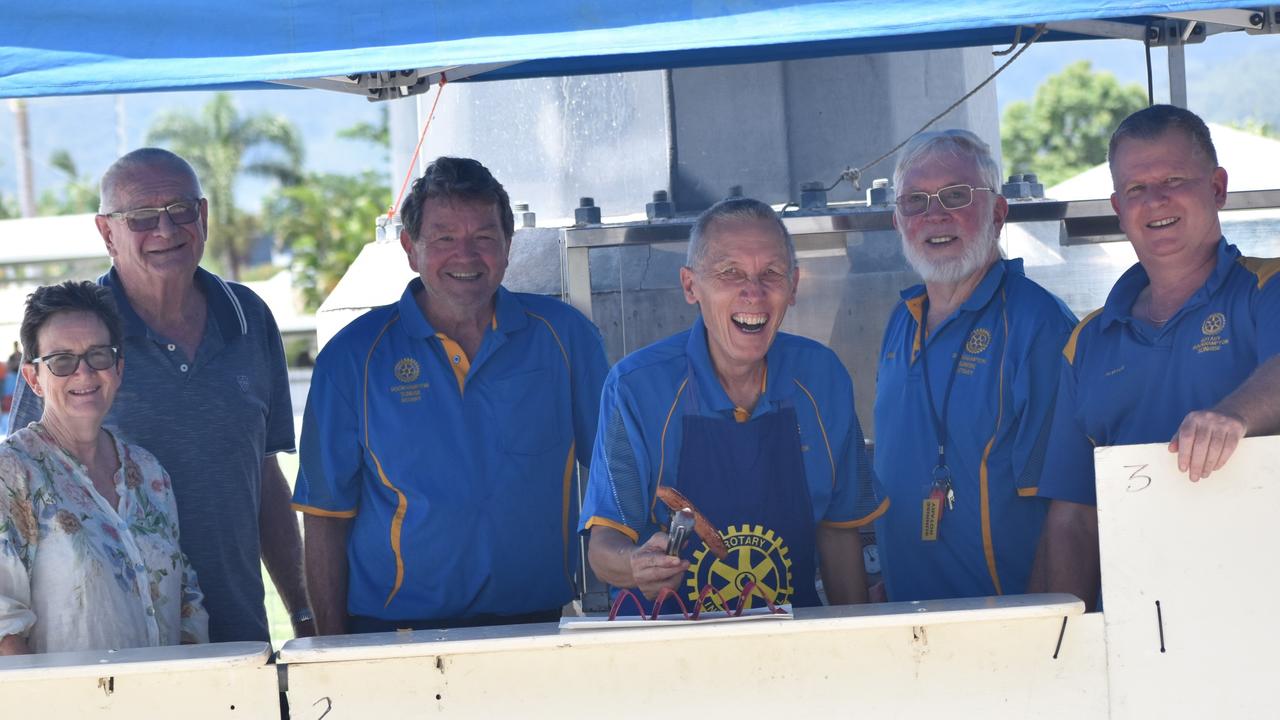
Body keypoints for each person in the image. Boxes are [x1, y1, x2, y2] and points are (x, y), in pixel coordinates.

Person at [294, 156, 609, 634]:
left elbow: (620, 476)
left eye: (484, 238)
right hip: (392, 636)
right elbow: (324, 517)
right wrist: (334, 650)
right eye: (444, 239)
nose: (466, 256)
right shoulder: (351, 358)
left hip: (536, 630)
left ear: (508, 247)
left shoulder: (565, 337)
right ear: (410, 247)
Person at [8, 148, 309, 643]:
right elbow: (23, 491)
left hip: (239, 640)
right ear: (107, 233)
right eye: (142, 218)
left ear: (204, 216)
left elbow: (266, 478)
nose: (165, 231)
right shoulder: (73, 338)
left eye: (180, 211)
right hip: (101, 663)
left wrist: (303, 614)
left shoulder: (250, 318)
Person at [1030, 105, 1280, 609]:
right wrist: (1050, 639)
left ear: (1217, 187)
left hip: (1262, 616)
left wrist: (1235, 415)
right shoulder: (1087, 341)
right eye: (1136, 189)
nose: (1155, 200)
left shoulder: (1267, 288)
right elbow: (1073, 515)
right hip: (1143, 631)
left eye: (1173, 179)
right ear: (1118, 207)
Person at [580, 197, 879, 613]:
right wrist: (635, 565)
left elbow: (839, 530)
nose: (752, 292)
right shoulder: (636, 387)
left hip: (790, 645)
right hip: (665, 646)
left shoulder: (821, 377)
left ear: (793, 286)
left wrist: (857, 643)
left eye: (771, 273)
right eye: (729, 273)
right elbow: (603, 548)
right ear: (690, 286)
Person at [873, 130, 1076, 602]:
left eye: (956, 195)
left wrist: (1043, 630)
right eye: (915, 201)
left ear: (999, 213)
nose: (934, 214)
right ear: (897, 221)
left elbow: (1067, 509)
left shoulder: (1037, 325)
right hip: (911, 621)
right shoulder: (900, 322)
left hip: (1002, 625)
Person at [0, 281, 207, 654]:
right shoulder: (12, 475)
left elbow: (186, 599)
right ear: (33, 379)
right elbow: (4, 630)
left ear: (118, 368)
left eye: (99, 355)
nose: (84, 373)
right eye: (61, 360)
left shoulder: (150, 474)